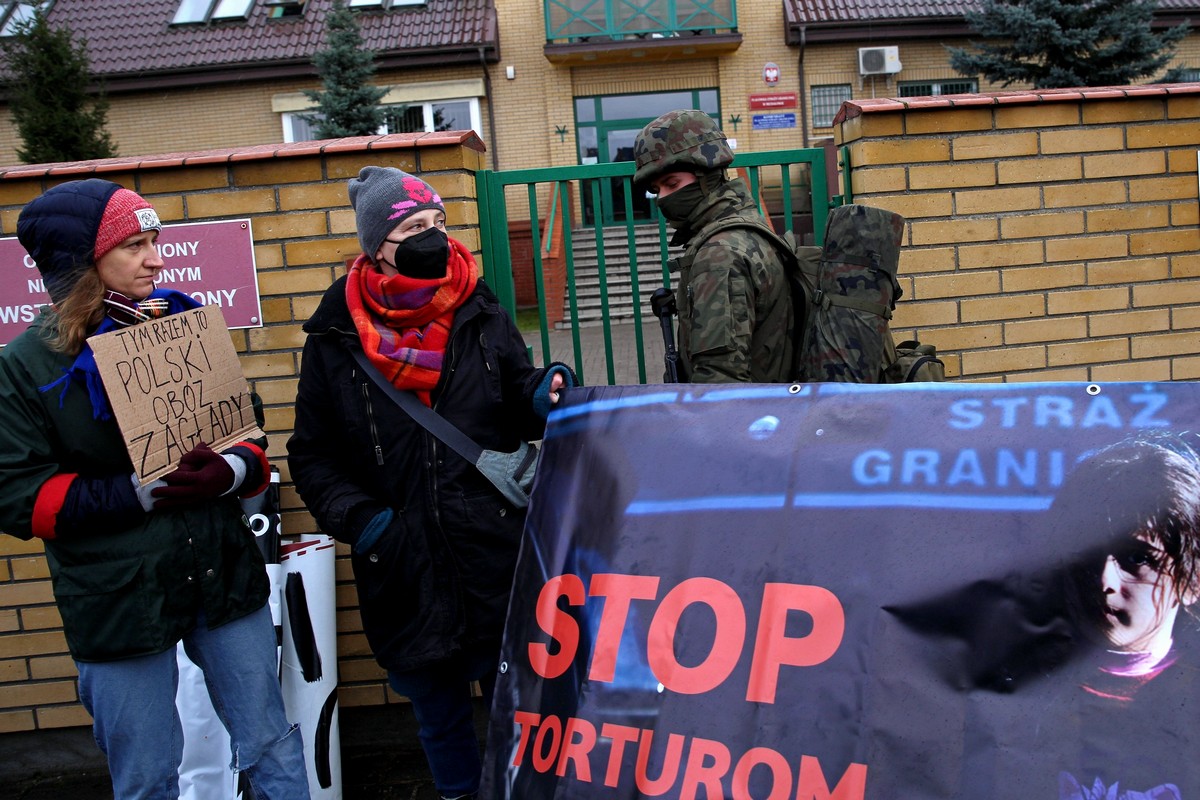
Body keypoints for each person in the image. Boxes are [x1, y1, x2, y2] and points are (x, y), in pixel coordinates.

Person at [0, 179, 310, 799]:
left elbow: (245, 426)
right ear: (81, 265)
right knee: (146, 777)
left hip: (220, 573)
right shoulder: (26, 365)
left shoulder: (182, 323)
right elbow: (16, 495)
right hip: (117, 600)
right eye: (135, 245)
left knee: (272, 744)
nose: (156, 258)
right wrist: (133, 493)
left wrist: (232, 472)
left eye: (155, 240)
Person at [286, 166, 575, 800]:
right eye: (415, 228)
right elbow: (311, 455)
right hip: (405, 564)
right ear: (376, 247)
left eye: (439, 223)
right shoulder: (336, 336)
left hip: (492, 551)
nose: (435, 238)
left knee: (519, 709)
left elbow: (512, 393)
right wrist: (367, 524)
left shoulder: (478, 304)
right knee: (439, 722)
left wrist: (540, 394)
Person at [632, 108, 795, 383]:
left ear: (707, 175)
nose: (664, 199)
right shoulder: (747, 229)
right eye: (657, 190)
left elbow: (720, 382)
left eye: (672, 184)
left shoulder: (719, 254)